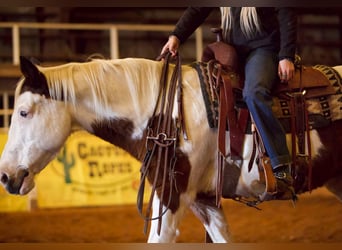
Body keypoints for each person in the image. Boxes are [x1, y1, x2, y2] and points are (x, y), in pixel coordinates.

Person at [160, 7, 297, 189]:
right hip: (232, 50)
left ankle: (280, 163)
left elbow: (286, 11)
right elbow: (198, 9)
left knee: (254, 93)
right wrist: (176, 36)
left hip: (263, 49)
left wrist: (286, 55)